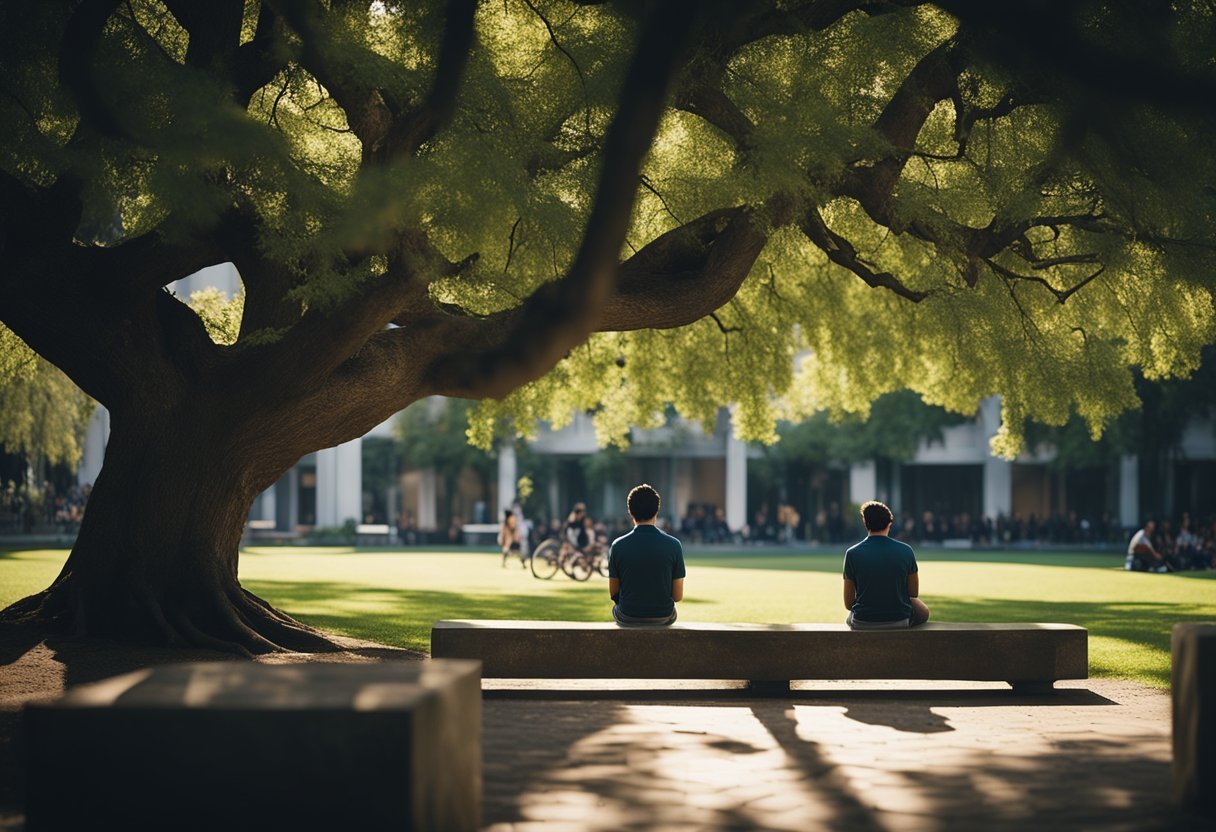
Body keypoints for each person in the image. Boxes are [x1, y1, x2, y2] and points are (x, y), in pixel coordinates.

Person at [843, 501, 930, 630]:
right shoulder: (906, 550)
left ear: (865, 523)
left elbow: (849, 603)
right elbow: (913, 593)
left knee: (849, 617)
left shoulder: (852, 553)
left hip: (862, 621)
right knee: (922, 609)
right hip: (900, 620)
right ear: (889, 524)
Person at [608, 483, 685, 626]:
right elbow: (677, 596)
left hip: (627, 616)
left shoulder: (617, 546)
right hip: (664, 616)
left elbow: (613, 593)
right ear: (657, 510)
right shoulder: (674, 545)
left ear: (630, 512)